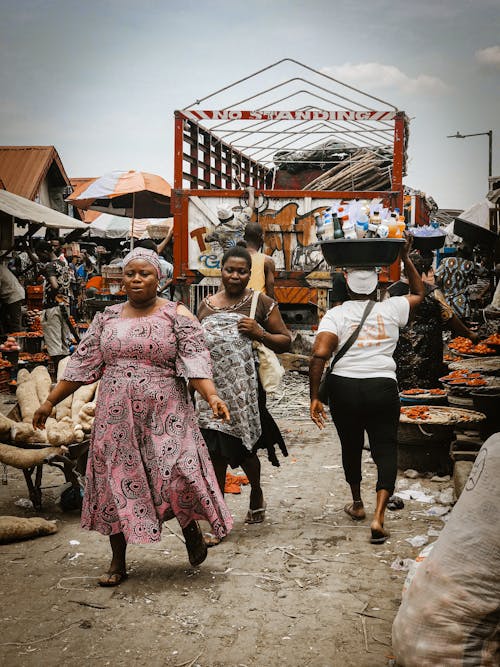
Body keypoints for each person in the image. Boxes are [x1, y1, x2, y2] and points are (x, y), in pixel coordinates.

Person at [33, 247, 233, 586]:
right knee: (116, 481)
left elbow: (195, 361)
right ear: (122, 279)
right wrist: (50, 401)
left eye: (145, 274)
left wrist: (211, 396)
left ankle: (190, 529)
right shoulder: (107, 318)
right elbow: (82, 364)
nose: (137, 279)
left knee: (178, 470)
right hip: (116, 413)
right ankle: (117, 561)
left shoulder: (177, 314)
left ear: (160, 278)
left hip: (167, 409)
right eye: (130, 273)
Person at [309, 239, 425, 544]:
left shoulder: (336, 315)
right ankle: (379, 517)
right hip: (382, 387)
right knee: (386, 448)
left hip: (344, 388)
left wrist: (314, 397)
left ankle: (357, 504)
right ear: (377, 285)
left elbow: (320, 354)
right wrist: (404, 257)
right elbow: (419, 292)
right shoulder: (393, 308)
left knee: (351, 446)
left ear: (346, 285)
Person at [196, 246, 291, 531]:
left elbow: (286, 340)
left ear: (250, 274)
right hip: (211, 392)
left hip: (246, 393)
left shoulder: (260, 303)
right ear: (221, 271)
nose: (235, 276)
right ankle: (219, 515)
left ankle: (257, 491)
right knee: (214, 452)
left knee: (245, 449)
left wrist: (259, 332)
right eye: (230, 270)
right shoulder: (206, 306)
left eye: (242, 271)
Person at [389, 251, 479, 389]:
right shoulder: (432, 292)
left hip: (401, 347)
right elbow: (449, 318)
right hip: (428, 346)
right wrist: (469, 334)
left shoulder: (392, 291)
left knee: (404, 383)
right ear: (423, 271)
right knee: (429, 384)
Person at [35, 240, 73, 368]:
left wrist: (52, 293)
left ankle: (59, 374)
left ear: (45, 252)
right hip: (65, 305)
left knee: (54, 344)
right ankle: (65, 372)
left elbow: (55, 285)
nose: (40, 258)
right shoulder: (63, 264)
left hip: (52, 308)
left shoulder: (50, 266)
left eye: (40, 254)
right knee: (64, 342)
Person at [244, 223, 276, 299]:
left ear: (244, 237)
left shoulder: (234, 257)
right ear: (262, 237)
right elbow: (270, 285)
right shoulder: (267, 261)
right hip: (258, 304)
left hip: (237, 303)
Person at [0, 260, 25, 333]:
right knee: (5, 318)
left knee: (14, 321)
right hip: (10, 294)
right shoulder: (1, 267)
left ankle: (16, 340)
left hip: (13, 295)